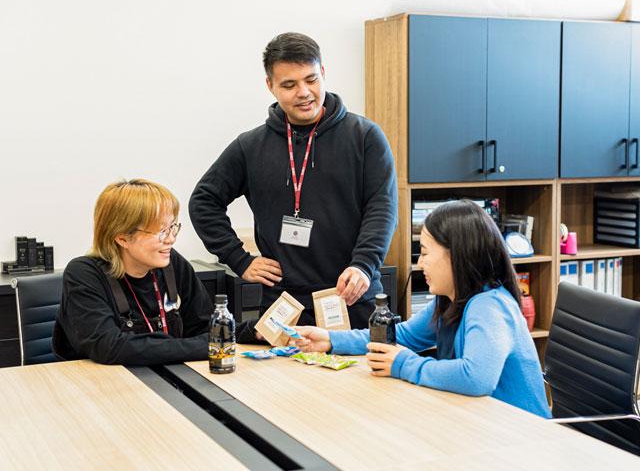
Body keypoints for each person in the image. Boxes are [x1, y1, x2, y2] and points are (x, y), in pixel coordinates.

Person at [189, 32, 397, 336]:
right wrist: (239, 259)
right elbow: (203, 201)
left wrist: (364, 264)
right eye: (289, 85)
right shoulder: (251, 146)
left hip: (351, 297)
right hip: (284, 305)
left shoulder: (364, 136)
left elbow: (382, 207)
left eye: (311, 79)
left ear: (323, 73)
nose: (304, 92)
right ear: (270, 86)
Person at [292, 200, 551, 418]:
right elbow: (401, 335)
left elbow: (476, 377)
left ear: (457, 255)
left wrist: (404, 364)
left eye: (425, 253)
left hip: (521, 438)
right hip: (480, 422)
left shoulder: (490, 305)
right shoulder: (450, 300)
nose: (419, 263)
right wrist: (331, 340)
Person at [53, 179, 255, 365]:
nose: (171, 239)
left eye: (172, 227)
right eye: (161, 231)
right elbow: (109, 347)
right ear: (122, 238)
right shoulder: (84, 274)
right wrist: (208, 346)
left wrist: (252, 331)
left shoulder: (172, 265)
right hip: (100, 384)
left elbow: (204, 328)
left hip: (162, 375)